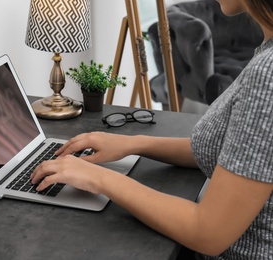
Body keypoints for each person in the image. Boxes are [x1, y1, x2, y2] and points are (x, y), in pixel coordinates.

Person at [31, 0, 273, 259]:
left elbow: (208, 232)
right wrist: (134, 144)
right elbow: (234, 152)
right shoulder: (266, 51)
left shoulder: (267, 74)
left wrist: (99, 178)